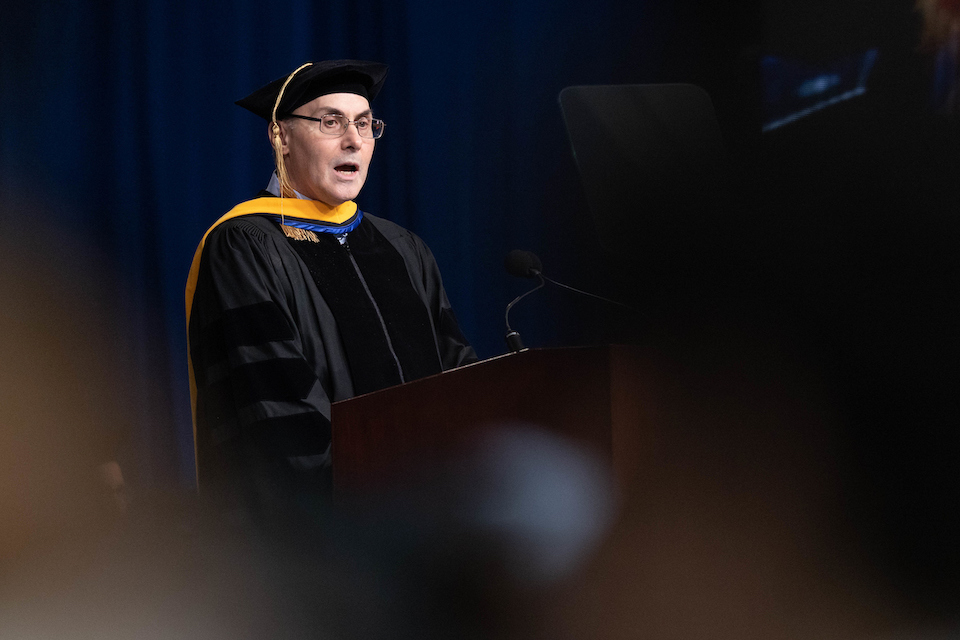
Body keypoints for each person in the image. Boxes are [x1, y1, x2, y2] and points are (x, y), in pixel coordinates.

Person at [185, 60, 477, 523]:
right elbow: (272, 402)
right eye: (330, 122)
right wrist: (374, 499)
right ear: (281, 136)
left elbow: (455, 370)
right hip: (322, 537)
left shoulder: (402, 248)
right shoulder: (245, 244)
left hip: (432, 522)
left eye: (364, 124)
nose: (354, 140)